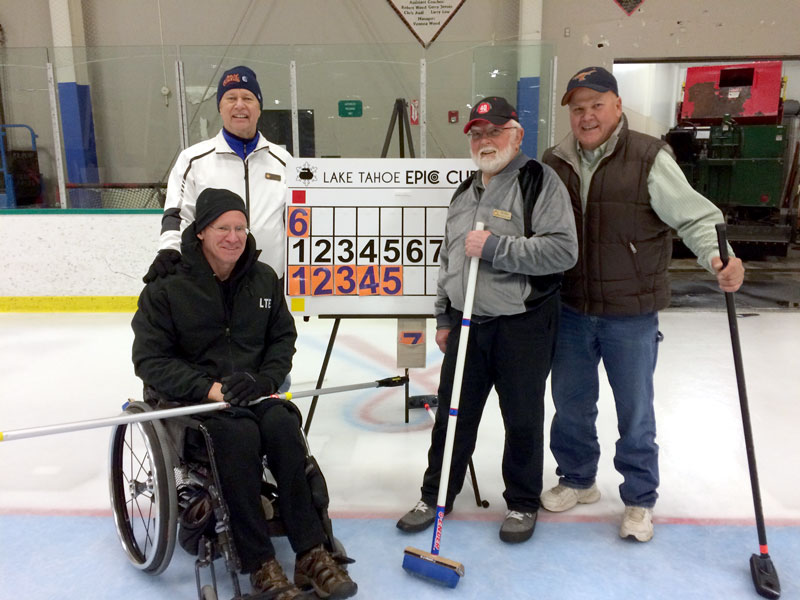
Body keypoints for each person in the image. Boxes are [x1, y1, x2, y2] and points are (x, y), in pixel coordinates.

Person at [540, 66, 745, 542]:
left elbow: (695, 217)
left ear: (616, 105)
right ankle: (577, 478)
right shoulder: (554, 161)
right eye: (578, 109)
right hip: (570, 308)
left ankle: (638, 498)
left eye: (596, 105)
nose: (587, 116)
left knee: (635, 411)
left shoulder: (649, 156)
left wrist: (721, 256)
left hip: (629, 314)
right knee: (570, 405)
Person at [132, 188, 356, 600]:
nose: (233, 237)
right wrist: (209, 387)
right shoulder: (167, 288)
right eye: (223, 228)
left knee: (284, 425)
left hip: (252, 396)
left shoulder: (263, 278)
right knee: (237, 437)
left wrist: (265, 381)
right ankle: (260, 562)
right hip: (194, 404)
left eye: (240, 227)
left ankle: (310, 550)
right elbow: (150, 361)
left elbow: (281, 340)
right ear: (201, 231)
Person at [396, 97, 578, 544]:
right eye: (477, 133)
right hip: (465, 324)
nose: (484, 140)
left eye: (494, 131)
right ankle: (435, 495)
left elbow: (562, 251)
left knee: (522, 418)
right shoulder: (464, 191)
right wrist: (443, 315)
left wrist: (496, 247)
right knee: (453, 416)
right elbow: (448, 261)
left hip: (522, 324)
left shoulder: (540, 181)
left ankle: (521, 503)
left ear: (516, 134)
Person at [143, 65, 291, 283]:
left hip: (271, 284)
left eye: (248, 98)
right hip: (211, 284)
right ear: (220, 107)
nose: (239, 105)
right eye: (231, 98)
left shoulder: (284, 161)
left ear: (259, 108)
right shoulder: (193, 160)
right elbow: (177, 214)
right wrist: (169, 249)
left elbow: (299, 220)